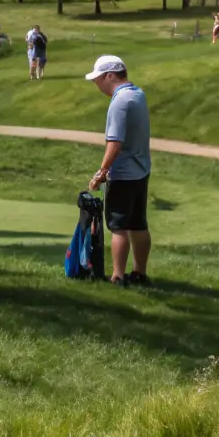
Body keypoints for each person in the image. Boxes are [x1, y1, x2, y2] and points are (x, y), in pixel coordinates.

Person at [86, 55, 152, 287]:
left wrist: (101, 173)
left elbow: (114, 143)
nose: (97, 84)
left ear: (110, 76)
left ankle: (118, 276)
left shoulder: (119, 102)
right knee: (138, 224)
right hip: (141, 171)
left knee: (118, 226)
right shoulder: (138, 94)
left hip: (123, 174)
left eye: (98, 79)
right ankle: (139, 274)